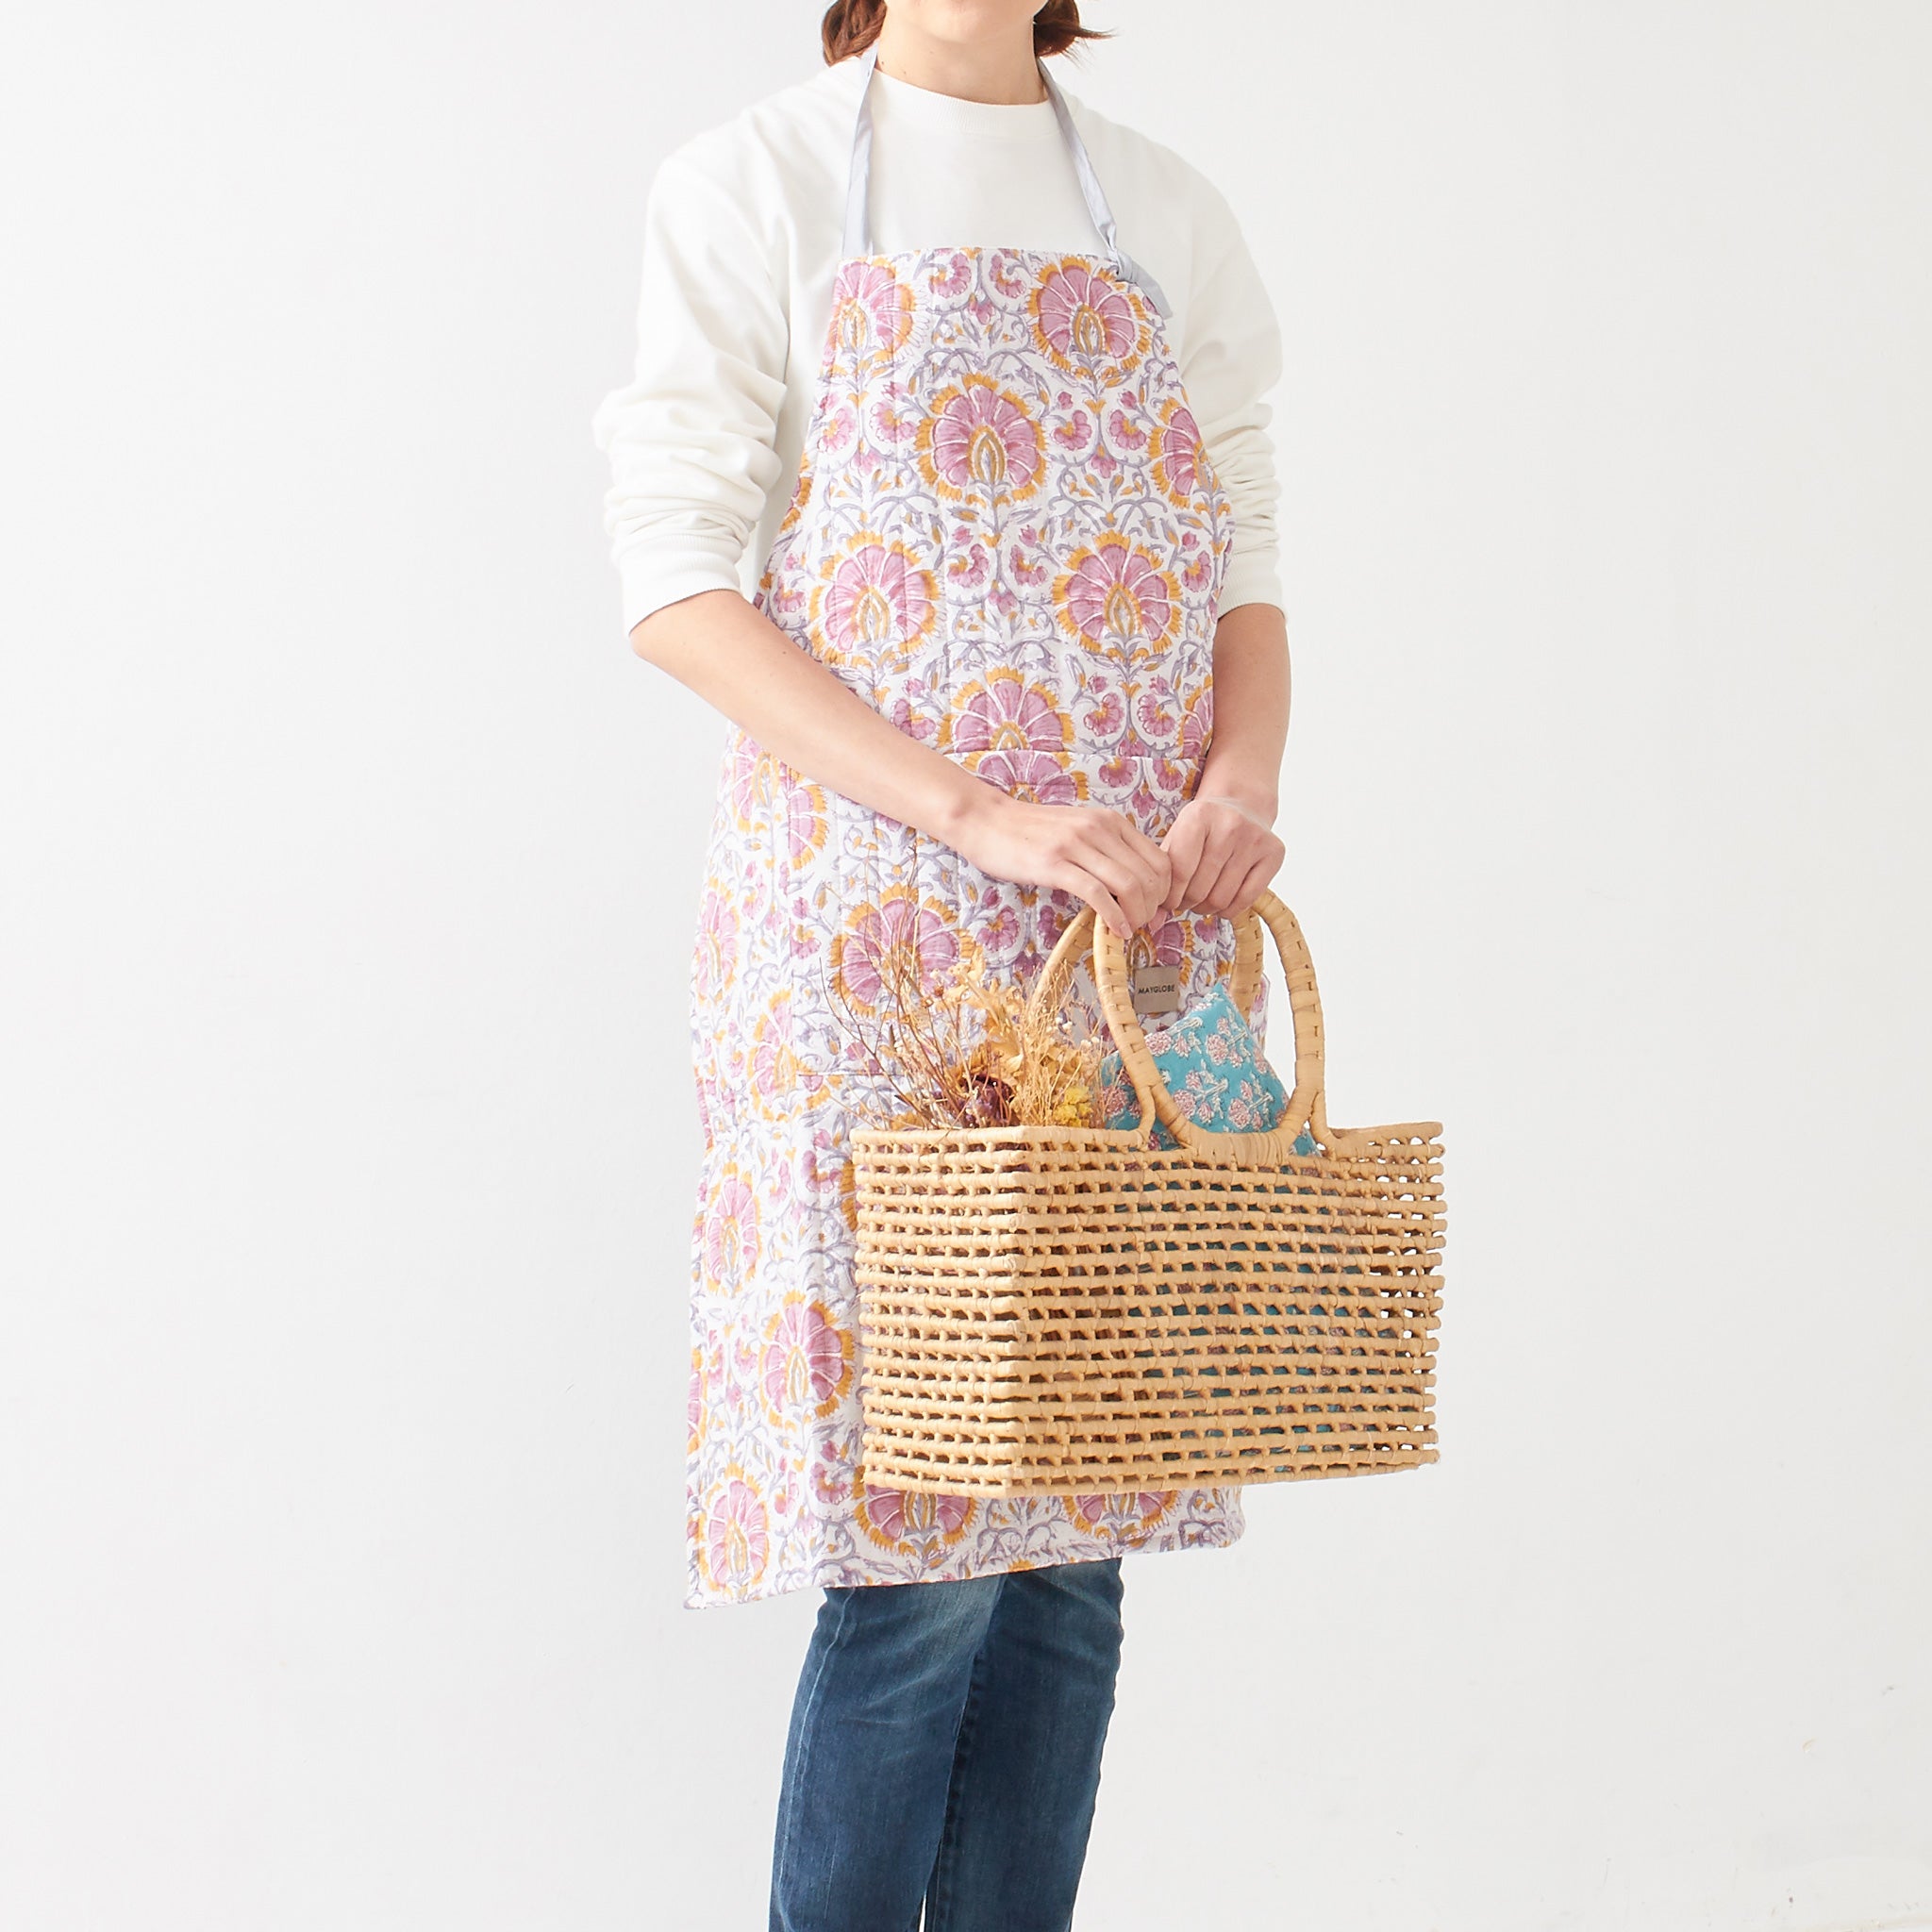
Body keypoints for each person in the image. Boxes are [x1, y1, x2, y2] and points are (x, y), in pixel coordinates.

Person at [592, 4, 1291, 1924]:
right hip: (874, 934)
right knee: (914, 1553)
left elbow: (1242, 542)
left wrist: (1240, 781)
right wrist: (980, 816)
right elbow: (675, 583)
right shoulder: (750, 182)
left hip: (1127, 940)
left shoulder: (1159, 203)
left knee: (1071, 1548)